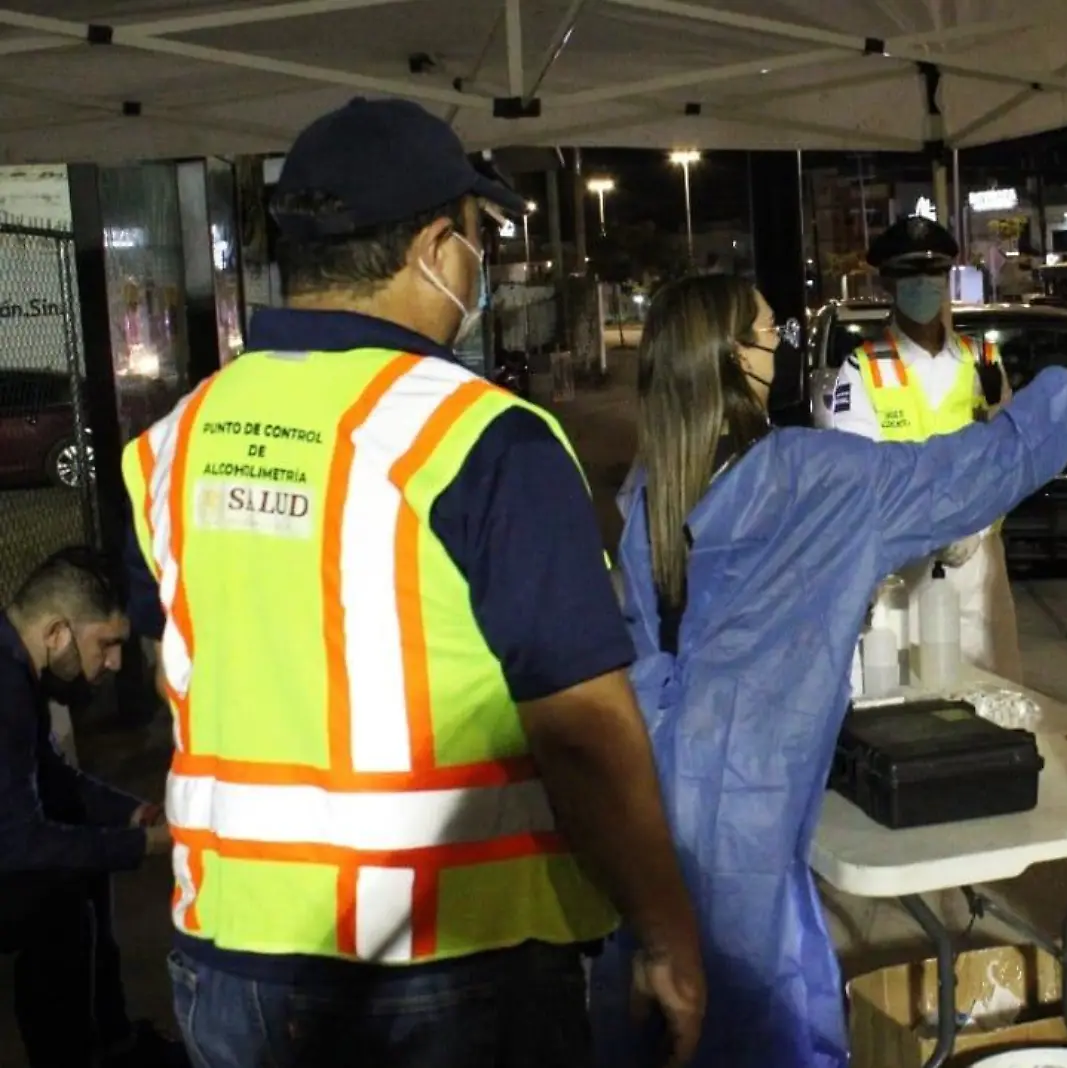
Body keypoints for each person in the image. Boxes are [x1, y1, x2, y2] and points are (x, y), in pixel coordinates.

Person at [120, 98, 702, 1067]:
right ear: (437, 243)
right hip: (449, 968)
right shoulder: (480, 440)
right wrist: (668, 928)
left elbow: (178, 668)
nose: (478, 262)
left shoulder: (176, 441)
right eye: (478, 237)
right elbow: (587, 734)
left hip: (226, 963)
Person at [593, 273, 1067, 1068]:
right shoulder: (808, 479)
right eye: (773, 334)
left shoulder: (654, 482)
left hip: (650, 800)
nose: (786, 348)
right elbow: (973, 471)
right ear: (736, 357)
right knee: (766, 1028)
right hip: (751, 814)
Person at [815, 215, 1023, 681]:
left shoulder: (984, 360)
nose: (924, 285)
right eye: (910, 275)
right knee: (911, 704)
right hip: (900, 575)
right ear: (888, 283)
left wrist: (975, 524)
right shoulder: (860, 368)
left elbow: (1008, 458)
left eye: (934, 274)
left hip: (979, 569)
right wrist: (933, 523)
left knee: (993, 704)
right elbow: (861, 475)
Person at [0, 547, 182, 1068]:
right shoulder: (6, 687)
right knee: (59, 902)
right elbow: (17, 842)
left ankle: (112, 1039)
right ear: (57, 632)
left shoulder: (15, 665)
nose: (115, 662)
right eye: (107, 644)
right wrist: (142, 845)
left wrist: (132, 814)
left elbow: (52, 775)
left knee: (79, 860)